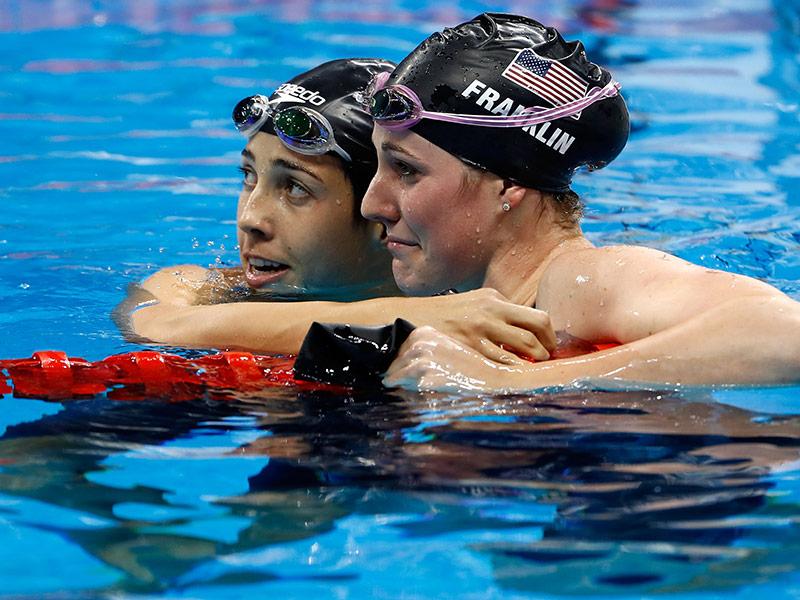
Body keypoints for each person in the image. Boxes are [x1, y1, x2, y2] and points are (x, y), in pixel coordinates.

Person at [356, 13, 800, 391]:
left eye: (407, 170)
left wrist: (509, 381)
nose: (372, 205)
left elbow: (784, 334)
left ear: (509, 183)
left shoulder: (577, 281)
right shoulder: (472, 302)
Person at [123, 58, 556, 361]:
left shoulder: (485, 317)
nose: (250, 220)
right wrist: (404, 320)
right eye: (249, 176)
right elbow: (153, 324)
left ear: (383, 213)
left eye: (295, 189)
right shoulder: (197, 290)